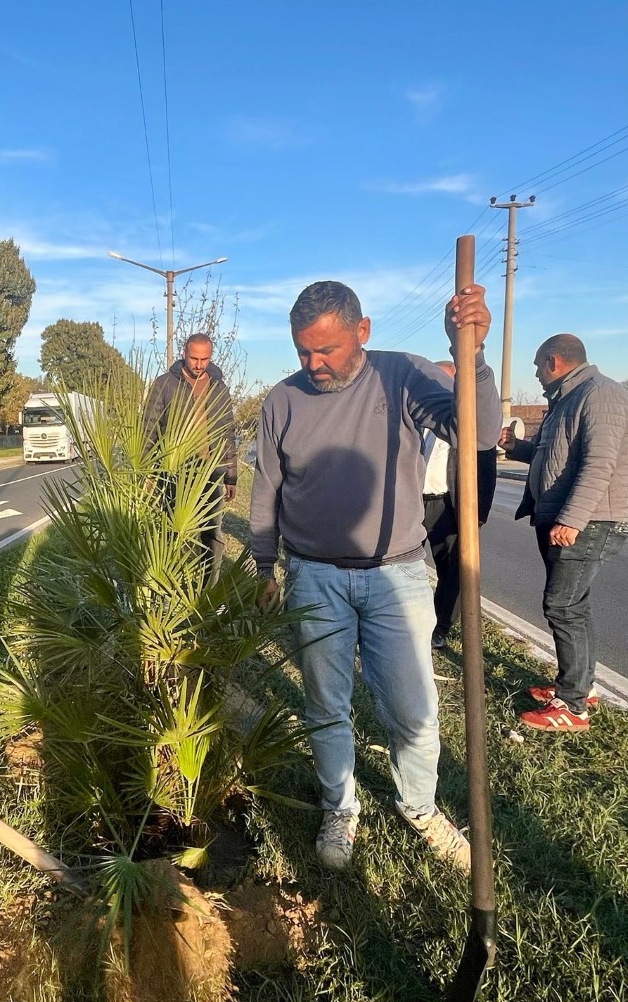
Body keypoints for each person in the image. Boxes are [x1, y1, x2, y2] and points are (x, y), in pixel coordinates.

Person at [251, 280, 500, 872]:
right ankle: (340, 806)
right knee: (325, 705)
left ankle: (419, 806)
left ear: (362, 332)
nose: (314, 365)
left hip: (399, 576)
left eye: (327, 350)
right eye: (303, 351)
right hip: (313, 576)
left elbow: (480, 434)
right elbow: (267, 488)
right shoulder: (281, 401)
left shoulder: (403, 375)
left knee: (413, 707)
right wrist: (264, 564)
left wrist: (474, 358)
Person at [500, 334, 628, 732]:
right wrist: (517, 446)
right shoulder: (567, 398)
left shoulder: (598, 394)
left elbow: (599, 463)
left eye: (538, 366)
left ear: (554, 361)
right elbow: (553, 454)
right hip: (568, 518)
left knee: (562, 606)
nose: (535, 374)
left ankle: (572, 707)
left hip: (589, 521)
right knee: (575, 606)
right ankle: (579, 686)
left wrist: (572, 519)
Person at [144, 332, 238, 582]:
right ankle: (173, 589)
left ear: (211, 357)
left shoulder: (220, 388)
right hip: (176, 472)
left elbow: (228, 432)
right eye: (194, 358)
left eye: (204, 359)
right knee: (174, 534)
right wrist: (148, 474)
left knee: (212, 534)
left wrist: (232, 476)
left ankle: (208, 591)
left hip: (211, 472)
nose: (198, 364)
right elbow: (149, 429)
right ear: (184, 354)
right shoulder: (164, 384)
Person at [421, 360, 498, 649]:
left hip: (449, 507)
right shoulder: (422, 418)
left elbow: (487, 466)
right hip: (415, 504)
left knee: (451, 571)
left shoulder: (470, 421)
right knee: (406, 567)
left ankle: (439, 628)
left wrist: (479, 511)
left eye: (443, 381)